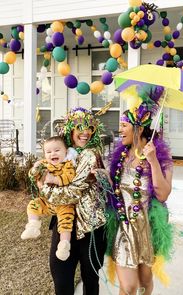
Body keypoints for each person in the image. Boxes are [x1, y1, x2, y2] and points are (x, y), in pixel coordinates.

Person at [106, 85, 174, 295]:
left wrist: (152, 161)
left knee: (145, 283)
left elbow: (163, 194)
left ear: (139, 128)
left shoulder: (162, 159)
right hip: (123, 228)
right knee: (129, 287)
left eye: (124, 125)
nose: (120, 130)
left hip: (147, 230)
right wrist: (99, 174)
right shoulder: (120, 156)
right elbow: (111, 188)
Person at [40, 107, 108, 295]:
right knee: (61, 278)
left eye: (90, 128)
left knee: (90, 282)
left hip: (91, 228)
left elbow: (72, 192)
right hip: (65, 225)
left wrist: (43, 187)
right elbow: (43, 169)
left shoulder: (90, 154)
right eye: (80, 126)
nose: (85, 132)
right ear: (70, 128)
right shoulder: (62, 152)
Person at [21, 136, 78, 261]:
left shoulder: (68, 165)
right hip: (47, 202)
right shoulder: (44, 164)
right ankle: (33, 226)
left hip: (64, 204)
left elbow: (70, 177)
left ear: (66, 152)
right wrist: (35, 168)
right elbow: (32, 175)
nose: (53, 154)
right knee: (33, 204)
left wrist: (54, 179)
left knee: (65, 224)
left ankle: (64, 245)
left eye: (57, 150)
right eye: (48, 152)